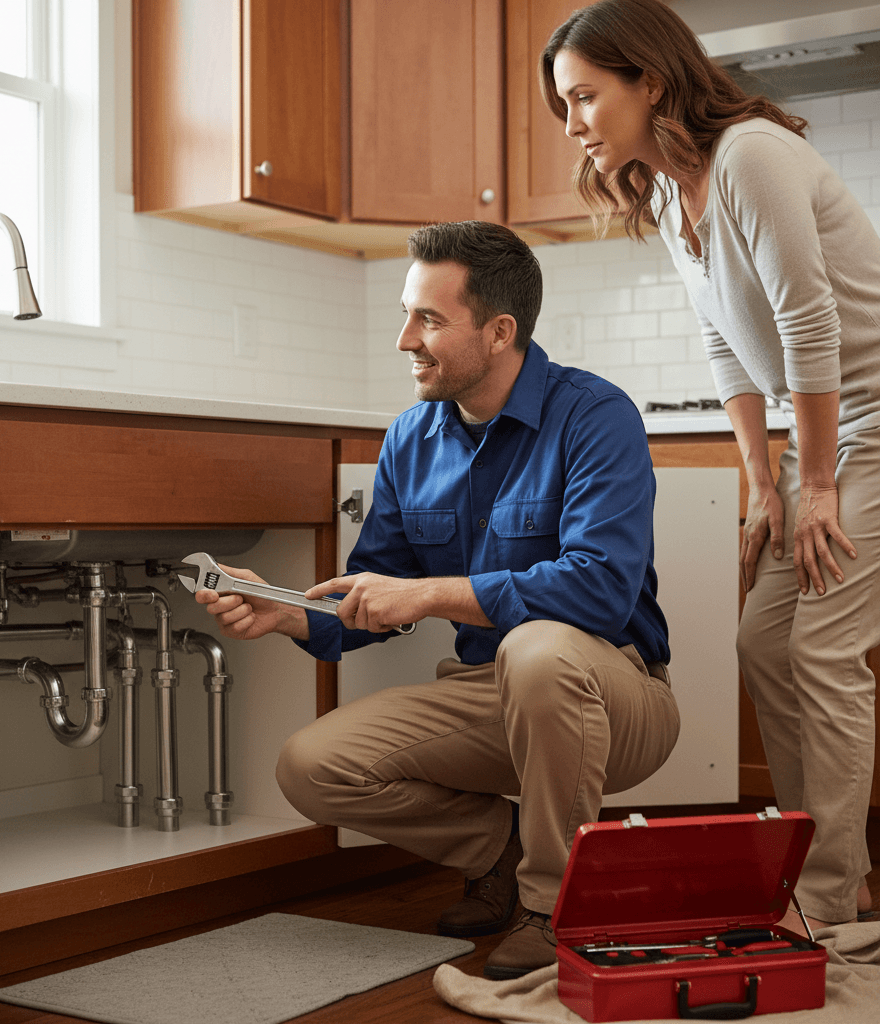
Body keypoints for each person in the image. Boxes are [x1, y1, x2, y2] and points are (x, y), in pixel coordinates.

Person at [194, 220, 680, 977]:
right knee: (310, 765)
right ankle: (500, 852)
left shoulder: (594, 416)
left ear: (499, 331)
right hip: (490, 696)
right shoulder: (410, 439)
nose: (404, 339)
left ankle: (558, 911)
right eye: (405, 314)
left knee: (539, 647)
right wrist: (290, 611)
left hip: (616, 695)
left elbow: (599, 589)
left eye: (428, 319)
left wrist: (430, 594)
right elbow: (377, 590)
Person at [542, 0, 880, 933]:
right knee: (762, 643)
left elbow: (809, 322)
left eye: (584, 97)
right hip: (826, 430)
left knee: (820, 645)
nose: (571, 123)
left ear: (650, 80)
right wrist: (764, 484)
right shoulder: (663, 189)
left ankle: (828, 894)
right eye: (562, 105)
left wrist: (814, 484)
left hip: (876, 420)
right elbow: (725, 344)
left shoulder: (752, 157)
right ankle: (819, 867)